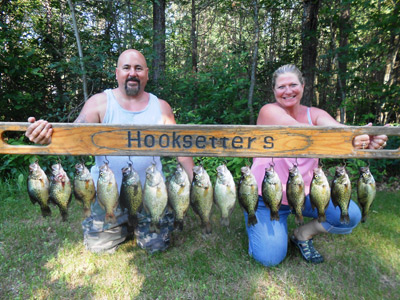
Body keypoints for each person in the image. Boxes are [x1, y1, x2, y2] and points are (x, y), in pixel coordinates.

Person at [25, 49, 194, 254]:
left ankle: (137, 224)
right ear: (117, 73)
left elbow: (181, 150)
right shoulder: (99, 103)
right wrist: (45, 134)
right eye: (126, 68)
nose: (133, 73)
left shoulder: (161, 107)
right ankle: (122, 224)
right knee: (99, 248)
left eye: (138, 68)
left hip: (150, 192)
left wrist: (191, 187)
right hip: (107, 193)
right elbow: (73, 136)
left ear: (147, 74)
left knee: (156, 246)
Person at [246, 64, 388, 266]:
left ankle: (302, 234)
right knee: (269, 258)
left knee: (351, 215)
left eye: (293, 84)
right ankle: (264, 228)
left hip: (306, 195)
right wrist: (350, 137)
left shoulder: (316, 114)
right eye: (281, 87)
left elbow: (338, 131)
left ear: (303, 86)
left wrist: (362, 138)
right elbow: (299, 131)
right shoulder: (268, 111)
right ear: (274, 91)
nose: (288, 91)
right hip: (266, 197)